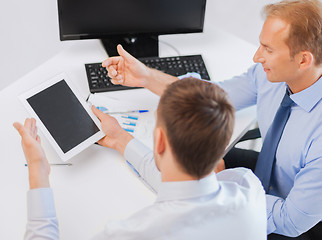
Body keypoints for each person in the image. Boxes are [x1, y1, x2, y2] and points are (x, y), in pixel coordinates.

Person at [102, 0, 322, 239]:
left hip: (293, 219)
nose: (257, 56)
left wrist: (217, 195)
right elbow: (209, 96)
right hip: (265, 177)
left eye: (268, 49)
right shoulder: (270, 75)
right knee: (188, 166)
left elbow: (290, 221)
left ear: (303, 60)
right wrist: (146, 77)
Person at [14, 78, 267, 239]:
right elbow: (189, 189)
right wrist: (121, 139)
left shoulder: (133, 233)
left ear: (158, 141)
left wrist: (38, 171)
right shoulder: (248, 187)